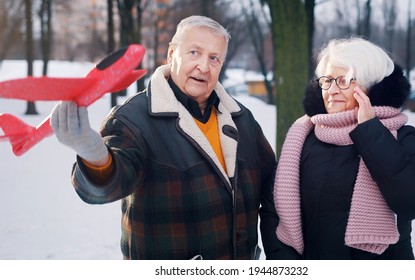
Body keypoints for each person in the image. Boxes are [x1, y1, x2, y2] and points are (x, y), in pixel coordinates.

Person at [51, 15, 276, 260]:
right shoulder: (133, 118)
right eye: (194, 52)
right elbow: (108, 187)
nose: (203, 66)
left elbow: (274, 189)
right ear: (171, 54)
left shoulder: (242, 120)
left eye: (214, 58)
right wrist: (93, 153)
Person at [260, 37, 415, 260]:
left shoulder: (401, 136)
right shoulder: (303, 135)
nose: (332, 90)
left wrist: (371, 131)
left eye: (344, 80)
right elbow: (273, 211)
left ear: (372, 85)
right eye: (327, 80)